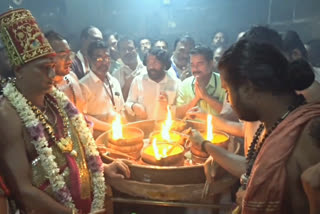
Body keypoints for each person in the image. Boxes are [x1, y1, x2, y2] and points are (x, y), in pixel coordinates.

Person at [0, 9, 130, 214]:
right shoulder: (8, 114)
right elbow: (23, 190)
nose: (52, 74)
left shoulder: (57, 101)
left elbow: (73, 155)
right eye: (43, 68)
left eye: (52, 66)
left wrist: (103, 170)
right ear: (19, 71)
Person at [190, 39, 320, 213]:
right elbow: (253, 166)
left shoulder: (309, 136)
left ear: (248, 89)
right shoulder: (276, 125)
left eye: (228, 91)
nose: (228, 100)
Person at [80, 40, 125, 138]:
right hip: (97, 138)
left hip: (118, 135)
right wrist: (110, 127)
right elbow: (82, 117)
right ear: (89, 59)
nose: (104, 62)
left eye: (107, 58)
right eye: (99, 59)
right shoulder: (83, 86)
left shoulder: (114, 81)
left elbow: (121, 109)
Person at [125, 48, 180, 121]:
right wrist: (133, 106)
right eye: (149, 63)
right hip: (143, 128)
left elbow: (181, 111)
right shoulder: (138, 81)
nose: (151, 67)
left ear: (164, 64)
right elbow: (128, 103)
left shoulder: (175, 83)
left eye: (155, 63)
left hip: (166, 130)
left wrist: (168, 107)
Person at [176, 45, 225, 118]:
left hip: (217, 129)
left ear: (211, 64)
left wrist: (206, 96)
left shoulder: (224, 83)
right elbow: (178, 114)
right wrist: (196, 98)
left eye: (200, 64)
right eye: (192, 65)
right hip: (191, 128)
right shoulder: (185, 84)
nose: (195, 68)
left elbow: (231, 115)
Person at [45, 30, 85, 112]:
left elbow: (83, 114)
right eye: (63, 55)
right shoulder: (44, 88)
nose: (69, 60)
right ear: (48, 57)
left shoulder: (72, 77)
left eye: (69, 54)